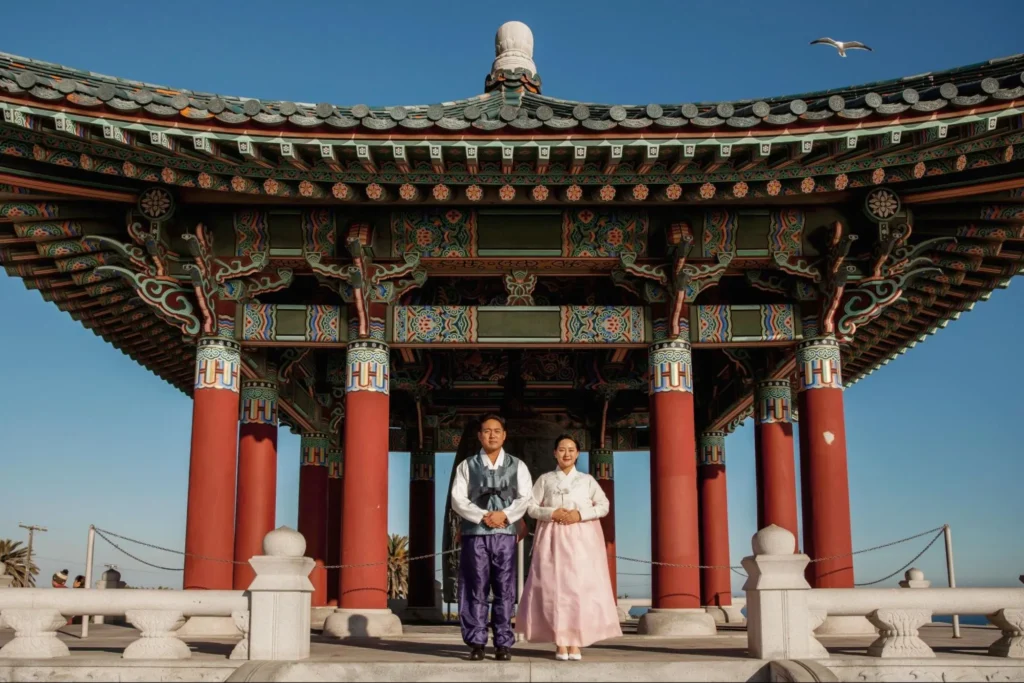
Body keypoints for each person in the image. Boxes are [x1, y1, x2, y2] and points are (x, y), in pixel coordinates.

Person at [516, 434, 622, 660]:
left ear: (578, 454)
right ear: (554, 453)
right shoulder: (545, 479)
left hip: (582, 538)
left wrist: (579, 514)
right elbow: (531, 507)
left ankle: (577, 640)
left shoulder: (587, 480)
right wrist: (550, 513)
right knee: (554, 588)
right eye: (562, 449)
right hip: (552, 536)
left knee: (578, 588)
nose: (566, 454)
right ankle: (560, 641)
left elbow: (603, 506)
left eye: (571, 450)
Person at [450, 414, 533, 662]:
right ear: (479, 435)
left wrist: (505, 516)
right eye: (487, 431)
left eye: (497, 431)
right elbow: (458, 499)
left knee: (504, 589)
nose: (492, 435)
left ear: (504, 435)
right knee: (475, 588)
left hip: (505, 533)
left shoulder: (517, 465)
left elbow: (525, 497)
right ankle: (476, 642)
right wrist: (484, 516)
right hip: (475, 533)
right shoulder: (466, 466)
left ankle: (503, 642)